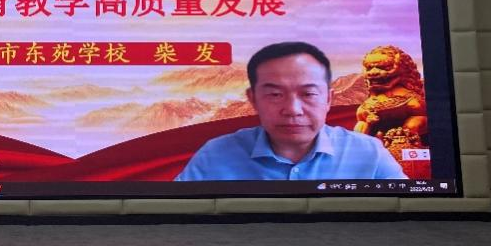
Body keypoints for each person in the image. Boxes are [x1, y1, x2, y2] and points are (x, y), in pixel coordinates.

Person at [174, 41, 406, 181]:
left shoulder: (368, 152)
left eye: (308, 94)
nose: (293, 110)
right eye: (275, 95)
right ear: (253, 99)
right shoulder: (216, 154)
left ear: (328, 99)